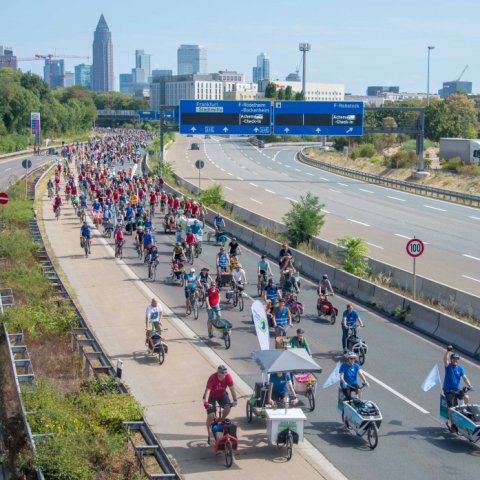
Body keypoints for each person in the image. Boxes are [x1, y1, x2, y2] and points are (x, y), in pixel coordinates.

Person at [204, 366, 238, 448]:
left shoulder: (228, 377)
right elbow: (208, 391)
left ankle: (221, 420)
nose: (224, 374)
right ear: (218, 372)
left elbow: (232, 389)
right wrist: (206, 402)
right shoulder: (212, 377)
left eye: (226, 372)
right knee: (211, 415)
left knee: (228, 407)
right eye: (222, 372)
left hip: (222, 394)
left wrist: (235, 400)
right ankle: (210, 434)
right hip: (211, 396)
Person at [443, 346, 472, 430]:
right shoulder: (448, 367)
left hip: (457, 389)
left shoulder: (460, 368)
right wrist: (448, 351)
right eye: (453, 359)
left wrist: (469, 385)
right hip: (448, 391)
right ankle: (453, 425)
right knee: (451, 408)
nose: (455, 360)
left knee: (466, 397)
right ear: (451, 359)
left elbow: (464, 377)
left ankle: (461, 413)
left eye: (456, 359)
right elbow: (445, 359)